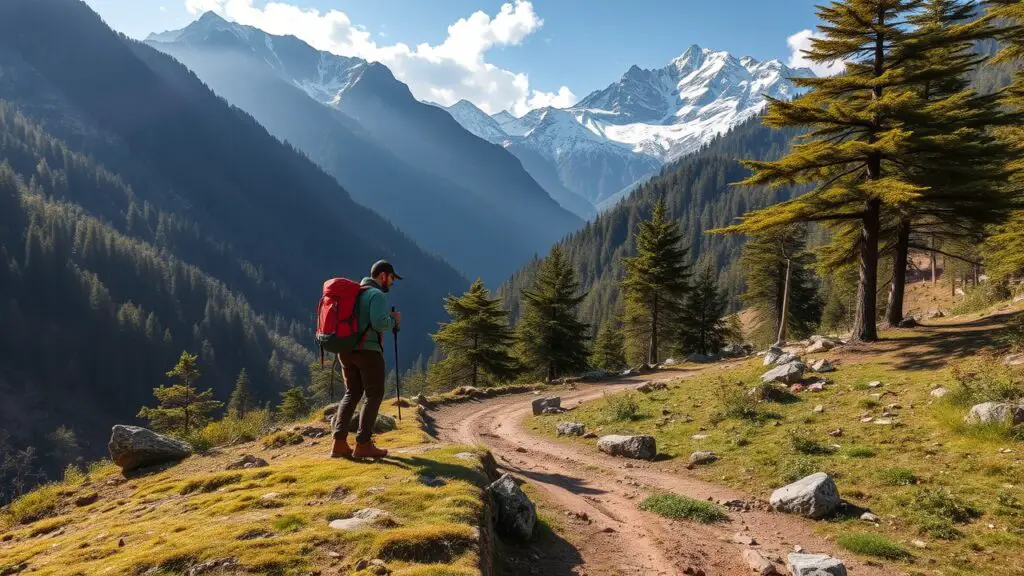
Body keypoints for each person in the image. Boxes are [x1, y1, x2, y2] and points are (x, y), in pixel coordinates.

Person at [330, 260, 402, 458]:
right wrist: (393, 320)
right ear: (383, 276)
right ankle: (363, 444)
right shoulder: (376, 295)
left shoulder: (356, 293)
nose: (392, 283)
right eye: (392, 278)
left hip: (345, 350)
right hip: (367, 351)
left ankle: (339, 443)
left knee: (352, 393)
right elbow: (379, 323)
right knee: (374, 394)